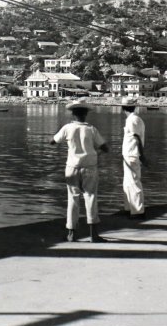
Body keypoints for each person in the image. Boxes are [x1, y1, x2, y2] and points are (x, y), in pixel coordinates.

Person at [50, 98, 110, 243]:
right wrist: (95, 152)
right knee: (91, 197)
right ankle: (93, 235)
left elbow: (52, 141)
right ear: (86, 114)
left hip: (71, 167)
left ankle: (71, 233)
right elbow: (105, 148)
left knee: (73, 199)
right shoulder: (91, 129)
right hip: (90, 167)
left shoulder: (67, 128)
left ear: (73, 114)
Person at [119, 97, 146, 218]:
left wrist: (142, 155)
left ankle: (138, 211)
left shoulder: (132, 120)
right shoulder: (133, 119)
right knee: (127, 183)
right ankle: (129, 208)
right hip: (129, 154)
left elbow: (137, 138)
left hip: (132, 154)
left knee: (133, 183)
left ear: (123, 108)